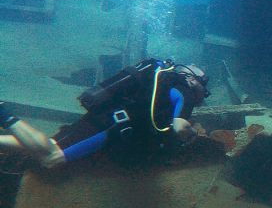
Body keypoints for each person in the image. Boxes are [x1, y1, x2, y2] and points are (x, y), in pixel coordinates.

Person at [0, 59, 209, 168]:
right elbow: (179, 126)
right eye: (203, 83)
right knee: (52, 156)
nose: (203, 92)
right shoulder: (185, 92)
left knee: (51, 145)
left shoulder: (163, 78)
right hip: (110, 126)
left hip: (109, 116)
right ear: (192, 79)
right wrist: (190, 135)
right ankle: (4, 115)